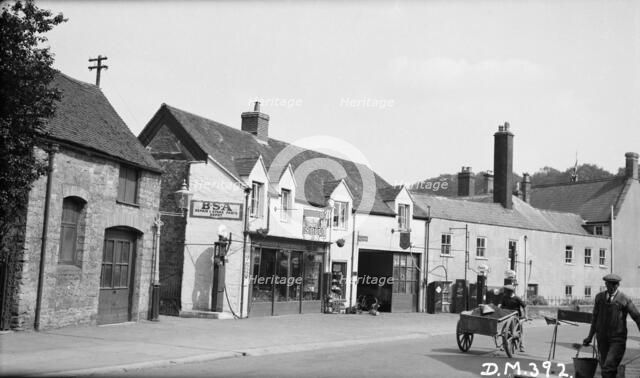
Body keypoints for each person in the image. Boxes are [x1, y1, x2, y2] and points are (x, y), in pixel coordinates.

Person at [583, 274, 640, 378]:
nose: (612, 287)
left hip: (617, 340)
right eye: (609, 284)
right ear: (606, 284)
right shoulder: (599, 298)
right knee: (606, 368)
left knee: (608, 368)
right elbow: (595, 318)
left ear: (618, 285)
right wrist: (590, 337)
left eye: (614, 284)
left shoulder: (624, 299)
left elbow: (637, 317)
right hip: (602, 339)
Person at [499, 284, 527, 352]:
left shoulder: (517, 298)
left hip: (516, 317)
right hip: (507, 316)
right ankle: (504, 345)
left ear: (512, 292)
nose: (507, 293)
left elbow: (524, 306)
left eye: (508, 292)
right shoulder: (504, 297)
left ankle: (521, 346)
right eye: (506, 292)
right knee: (505, 332)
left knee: (519, 331)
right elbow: (502, 306)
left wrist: (525, 315)